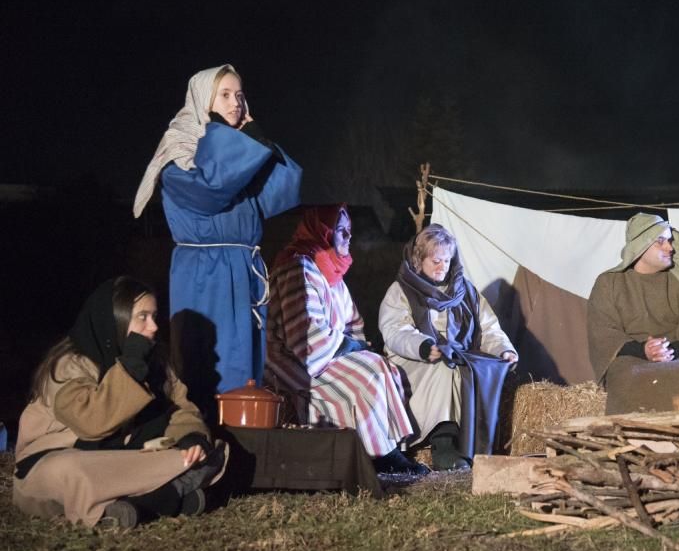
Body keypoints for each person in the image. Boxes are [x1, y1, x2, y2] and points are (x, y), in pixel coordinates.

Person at [132, 64, 301, 403]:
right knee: (215, 363)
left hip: (242, 267)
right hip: (206, 273)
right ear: (201, 98)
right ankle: (207, 434)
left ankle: (244, 438)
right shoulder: (180, 156)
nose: (236, 102)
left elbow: (278, 194)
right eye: (224, 95)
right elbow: (210, 191)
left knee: (247, 362)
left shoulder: (235, 161)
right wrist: (241, 147)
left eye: (240, 95)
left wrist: (257, 145)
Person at [12, 277, 227, 529]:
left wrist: (191, 439)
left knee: (210, 453)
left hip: (123, 460)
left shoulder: (155, 361)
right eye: (143, 317)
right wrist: (131, 366)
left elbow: (182, 408)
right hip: (63, 463)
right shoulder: (71, 364)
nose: (154, 326)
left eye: (155, 316)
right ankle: (164, 496)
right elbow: (93, 423)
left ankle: (133, 505)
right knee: (71, 471)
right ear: (116, 319)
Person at [265, 205, 427, 474]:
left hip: (326, 354)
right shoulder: (297, 267)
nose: (349, 238)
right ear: (323, 233)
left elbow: (353, 325)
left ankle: (391, 448)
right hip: (293, 359)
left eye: (350, 232)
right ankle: (379, 456)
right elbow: (304, 335)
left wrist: (358, 346)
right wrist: (352, 347)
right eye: (341, 231)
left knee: (383, 366)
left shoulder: (333, 276)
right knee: (368, 373)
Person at [379, 224, 517, 470]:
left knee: (480, 371)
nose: (442, 267)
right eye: (435, 261)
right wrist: (424, 346)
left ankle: (471, 447)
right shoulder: (401, 291)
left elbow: (488, 328)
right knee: (445, 369)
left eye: (446, 260)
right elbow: (395, 330)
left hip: (457, 356)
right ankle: (444, 444)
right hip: (415, 360)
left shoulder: (465, 291)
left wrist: (503, 350)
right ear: (419, 260)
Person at [588, 213, 679, 413]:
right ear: (640, 246)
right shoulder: (608, 284)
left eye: (670, 240)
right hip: (630, 358)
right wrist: (643, 350)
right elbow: (603, 332)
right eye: (660, 241)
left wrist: (665, 350)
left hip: (677, 357)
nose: (670, 247)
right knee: (625, 375)